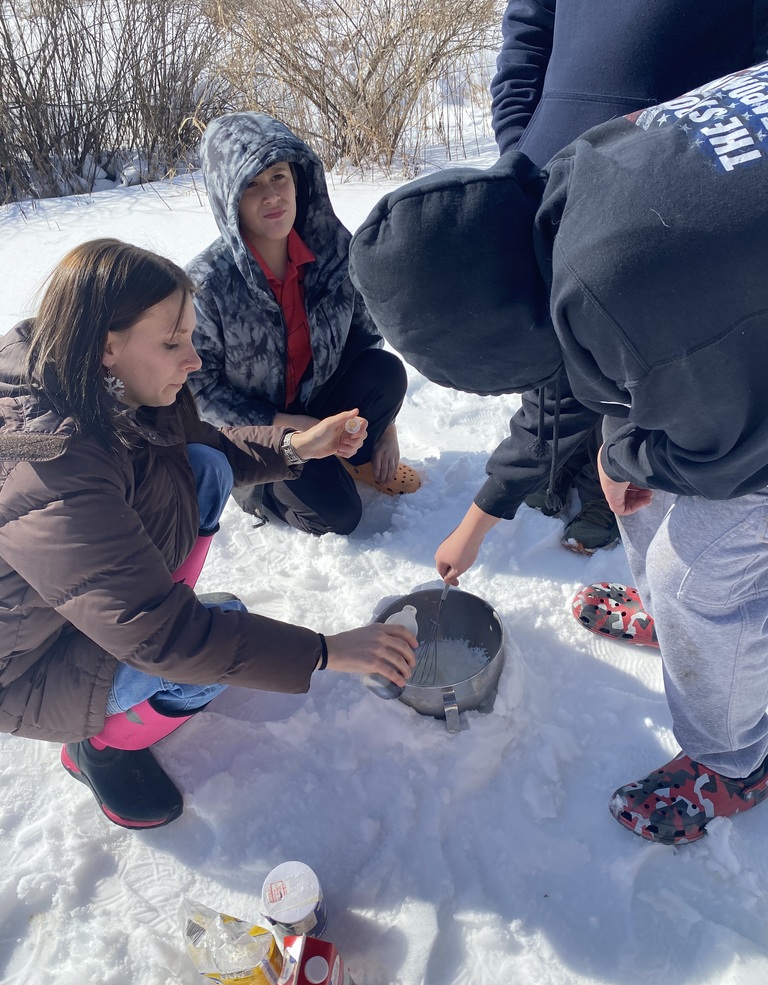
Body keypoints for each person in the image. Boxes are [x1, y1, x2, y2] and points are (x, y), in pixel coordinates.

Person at [349, 60, 768, 846]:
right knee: (633, 481)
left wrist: (639, 457)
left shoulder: (615, 288)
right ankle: (689, 637)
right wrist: (625, 452)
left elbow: (743, 456)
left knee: (699, 571)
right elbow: (618, 372)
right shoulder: (575, 178)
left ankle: (735, 760)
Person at [0, 239, 417, 831]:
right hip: (29, 667)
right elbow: (165, 641)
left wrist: (299, 446)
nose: (193, 360)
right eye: (173, 344)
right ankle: (99, 745)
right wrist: (326, 652)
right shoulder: (49, 466)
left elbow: (205, 446)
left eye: (190, 337)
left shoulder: (101, 376)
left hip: (85, 599)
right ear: (106, 348)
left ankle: (149, 612)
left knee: (205, 466)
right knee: (193, 661)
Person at [482, 0, 768, 554]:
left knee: (640, 356)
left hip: (671, 184)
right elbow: (528, 34)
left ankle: (610, 478)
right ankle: (551, 459)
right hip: (549, 162)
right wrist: (519, 144)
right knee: (551, 338)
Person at [186, 112, 419, 538]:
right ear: (228, 196)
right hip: (259, 437)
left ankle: (351, 456)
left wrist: (385, 430)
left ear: (299, 179)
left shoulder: (333, 249)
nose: (271, 195)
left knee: (386, 372)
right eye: (251, 185)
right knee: (340, 516)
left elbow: (365, 340)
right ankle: (257, 492)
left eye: (278, 177)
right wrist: (285, 425)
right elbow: (200, 390)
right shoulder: (207, 283)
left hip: (319, 404)